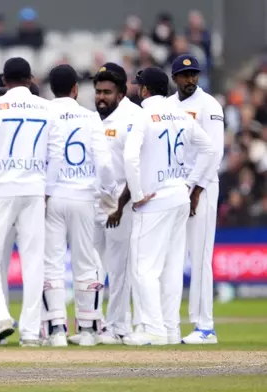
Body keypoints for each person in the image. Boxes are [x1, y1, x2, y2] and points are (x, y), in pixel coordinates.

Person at [0, 57, 65, 347]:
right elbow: (57, 153)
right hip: (34, 189)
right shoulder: (47, 107)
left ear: (4, 81)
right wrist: (46, 189)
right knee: (34, 261)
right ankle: (30, 332)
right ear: (30, 79)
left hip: (0, 189)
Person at [122, 67, 214, 345]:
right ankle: (171, 328)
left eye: (139, 86)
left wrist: (137, 194)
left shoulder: (142, 116)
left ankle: (153, 329)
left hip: (154, 201)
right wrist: (190, 183)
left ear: (145, 90)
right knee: (172, 268)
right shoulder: (181, 115)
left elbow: (130, 158)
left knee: (144, 269)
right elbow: (210, 149)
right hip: (178, 197)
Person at [42, 64, 116, 347]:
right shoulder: (90, 117)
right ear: (75, 89)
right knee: (86, 263)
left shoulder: (44, 113)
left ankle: (57, 330)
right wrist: (107, 191)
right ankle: (87, 330)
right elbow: (105, 163)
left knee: (52, 263)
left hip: (53, 197)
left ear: (52, 89)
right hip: (84, 197)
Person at [167, 54, 224, 344]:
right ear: (174, 77)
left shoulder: (209, 105)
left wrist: (196, 191)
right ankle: (168, 323)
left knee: (200, 256)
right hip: (173, 186)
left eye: (194, 75)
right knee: (172, 257)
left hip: (201, 187)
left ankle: (205, 326)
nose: (190, 80)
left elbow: (215, 153)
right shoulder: (167, 106)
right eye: (184, 75)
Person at [91, 63, 143, 345]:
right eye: (98, 91)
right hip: (92, 203)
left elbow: (135, 167)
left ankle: (118, 326)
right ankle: (95, 324)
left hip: (121, 205)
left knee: (119, 268)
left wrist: (120, 204)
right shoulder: (92, 119)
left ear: (121, 93)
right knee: (93, 266)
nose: (101, 97)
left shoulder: (134, 117)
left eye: (107, 92)